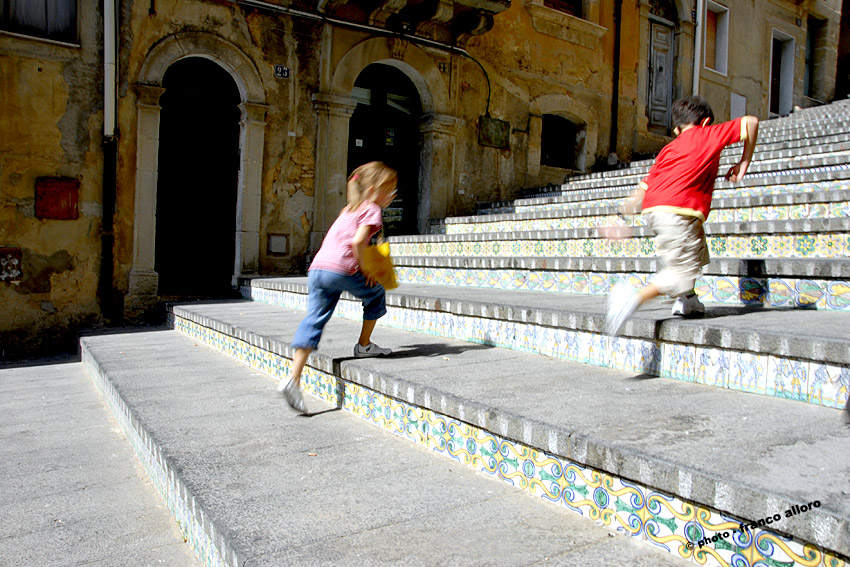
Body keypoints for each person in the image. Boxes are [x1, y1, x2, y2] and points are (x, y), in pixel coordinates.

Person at [606, 96, 759, 336]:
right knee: (681, 273)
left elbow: (644, 186)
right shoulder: (708, 133)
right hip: (680, 210)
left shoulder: (669, 149)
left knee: (694, 247)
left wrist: (620, 216)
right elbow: (751, 122)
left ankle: (688, 300)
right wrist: (743, 163)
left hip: (657, 210)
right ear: (706, 121)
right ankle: (632, 300)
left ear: (677, 129)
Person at [278, 161, 398, 412]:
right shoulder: (372, 208)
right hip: (341, 269)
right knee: (375, 293)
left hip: (318, 269)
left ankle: (293, 378)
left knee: (314, 320)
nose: (394, 195)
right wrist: (366, 270)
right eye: (390, 189)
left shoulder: (348, 209)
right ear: (375, 190)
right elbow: (357, 243)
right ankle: (364, 345)